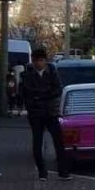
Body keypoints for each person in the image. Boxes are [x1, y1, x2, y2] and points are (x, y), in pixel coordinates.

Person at [21, 49, 72, 182]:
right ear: (33, 61)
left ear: (45, 60)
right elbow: (27, 93)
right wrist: (40, 96)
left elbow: (58, 89)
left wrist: (41, 95)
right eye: (36, 60)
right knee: (37, 144)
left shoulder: (52, 72)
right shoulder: (28, 74)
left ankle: (63, 172)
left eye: (41, 60)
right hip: (36, 114)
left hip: (51, 113)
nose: (38, 63)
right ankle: (42, 172)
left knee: (59, 142)